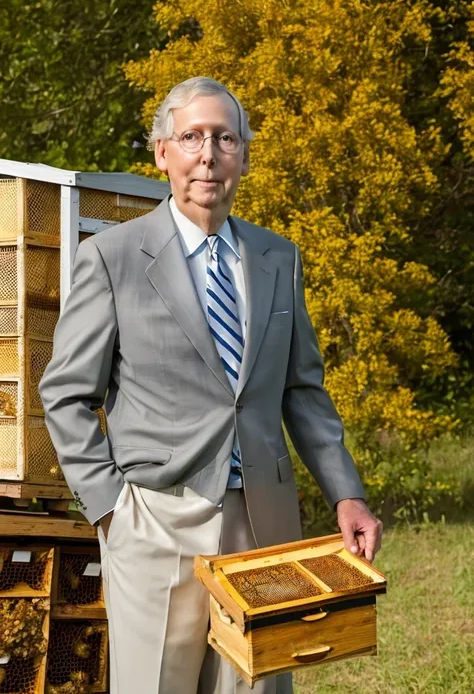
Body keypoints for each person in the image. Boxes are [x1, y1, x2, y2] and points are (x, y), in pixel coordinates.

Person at [39, 76, 382, 694]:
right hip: (154, 522)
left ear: (243, 154)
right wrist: (112, 509)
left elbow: (301, 391)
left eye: (224, 138)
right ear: (162, 153)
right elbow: (66, 393)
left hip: (265, 525)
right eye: (191, 136)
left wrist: (346, 495)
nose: (207, 154)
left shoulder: (280, 257)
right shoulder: (112, 258)